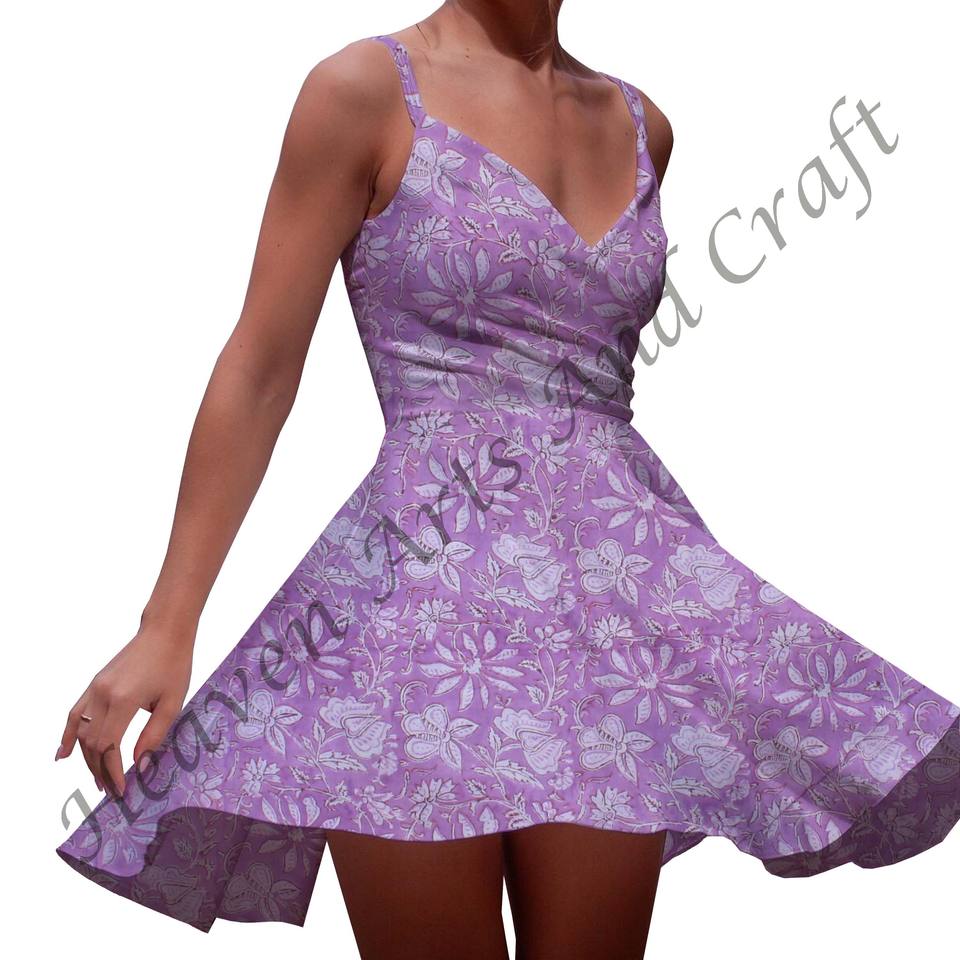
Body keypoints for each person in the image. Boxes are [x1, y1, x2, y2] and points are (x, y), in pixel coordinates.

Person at [55, 2, 960, 958]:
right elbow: (262, 366)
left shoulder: (641, 125)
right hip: (417, 615)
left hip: (614, 613)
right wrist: (168, 625)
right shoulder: (365, 90)